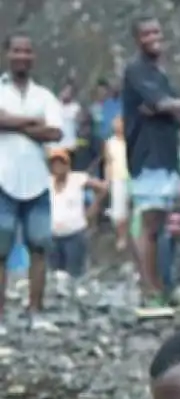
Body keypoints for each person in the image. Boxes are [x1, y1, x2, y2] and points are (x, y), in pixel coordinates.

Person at [0, 31, 63, 336]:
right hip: (3, 179)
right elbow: (44, 128)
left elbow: (55, 134)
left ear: (33, 56)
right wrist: (32, 123)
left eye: (27, 51)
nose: (22, 56)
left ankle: (35, 311)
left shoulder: (45, 95)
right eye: (17, 50)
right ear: (7, 54)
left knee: (39, 248)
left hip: (37, 181)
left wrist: (12, 121)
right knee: (0, 250)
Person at [122, 15, 180, 310]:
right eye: (146, 33)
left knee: (163, 225)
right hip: (147, 156)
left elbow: (173, 111)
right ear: (137, 39)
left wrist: (172, 108)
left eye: (156, 31)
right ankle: (149, 288)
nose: (152, 37)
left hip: (167, 156)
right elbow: (163, 104)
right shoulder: (137, 70)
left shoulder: (161, 73)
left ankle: (162, 284)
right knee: (149, 225)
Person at [48, 148, 107, 278]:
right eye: (54, 163)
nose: (58, 166)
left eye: (61, 163)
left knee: (75, 272)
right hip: (53, 235)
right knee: (56, 273)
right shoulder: (47, 182)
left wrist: (94, 207)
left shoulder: (77, 178)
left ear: (68, 165)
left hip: (74, 233)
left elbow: (102, 188)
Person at [105, 116, 130, 251]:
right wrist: (107, 180)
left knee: (132, 211)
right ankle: (121, 237)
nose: (118, 126)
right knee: (119, 212)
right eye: (116, 123)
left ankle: (133, 237)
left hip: (131, 178)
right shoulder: (110, 143)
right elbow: (108, 163)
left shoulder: (131, 140)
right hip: (117, 179)